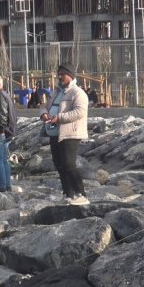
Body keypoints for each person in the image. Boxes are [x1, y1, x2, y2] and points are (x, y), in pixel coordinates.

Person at [41, 62, 90, 205]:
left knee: (69, 164)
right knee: (59, 165)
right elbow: (45, 106)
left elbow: (80, 112)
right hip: (54, 133)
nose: (59, 76)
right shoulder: (55, 91)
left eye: (62, 74)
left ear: (70, 75)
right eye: (59, 74)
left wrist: (59, 118)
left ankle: (81, 195)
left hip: (70, 134)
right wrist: (44, 114)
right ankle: (68, 194)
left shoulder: (78, 93)